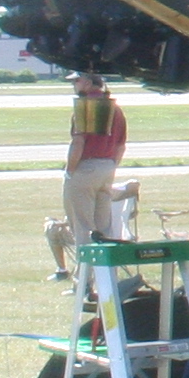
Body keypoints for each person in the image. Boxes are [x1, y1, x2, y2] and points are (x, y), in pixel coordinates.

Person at [62, 70, 127, 248]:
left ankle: (85, 273)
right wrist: (112, 165)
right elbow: (121, 145)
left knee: (82, 224)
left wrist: (69, 170)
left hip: (85, 167)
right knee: (104, 224)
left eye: (77, 81)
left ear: (88, 83)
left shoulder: (84, 107)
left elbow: (78, 143)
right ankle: (106, 273)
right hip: (107, 167)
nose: (74, 85)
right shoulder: (116, 108)